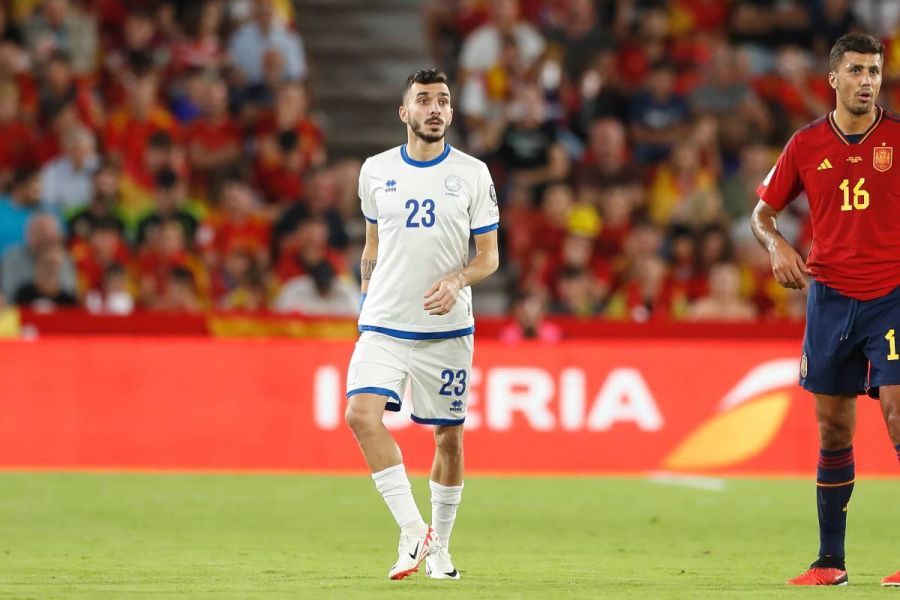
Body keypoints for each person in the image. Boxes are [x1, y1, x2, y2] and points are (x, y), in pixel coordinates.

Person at [751, 33, 900, 587]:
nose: (867, 81)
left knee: (898, 414)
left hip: (893, 294)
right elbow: (761, 215)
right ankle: (829, 562)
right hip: (831, 299)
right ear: (833, 78)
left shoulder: (898, 138)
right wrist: (777, 246)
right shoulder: (807, 143)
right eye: (856, 70)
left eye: (874, 71)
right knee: (834, 428)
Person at [344, 69, 499, 581]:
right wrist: (365, 301)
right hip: (384, 324)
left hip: (446, 330)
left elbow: (489, 257)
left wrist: (457, 280)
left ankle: (441, 550)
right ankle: (414, 530)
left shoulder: (473, 173)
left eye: (443, 101)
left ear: (451, 112)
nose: (435, 109)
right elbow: (372, 244)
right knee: (360, 415)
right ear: (404, 112)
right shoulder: (375, 171)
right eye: (425, 100)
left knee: (448, 440)